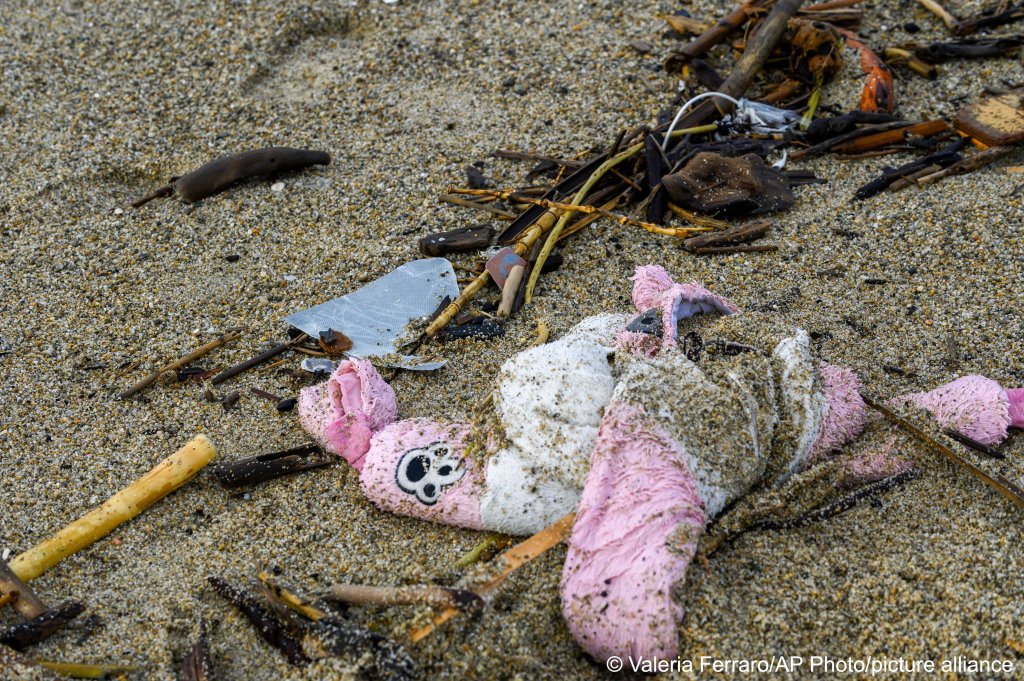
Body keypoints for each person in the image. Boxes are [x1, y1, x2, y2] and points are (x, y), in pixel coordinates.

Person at [299, 265, 1023, 662]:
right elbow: (634, 534)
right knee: (544, 392)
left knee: (550, 386)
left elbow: (624, 567)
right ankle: (986, 405)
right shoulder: (612, 438)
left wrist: (655, 328)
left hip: (779, 398)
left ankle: (979, 406)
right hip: (759, 393)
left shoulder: (635, 434)